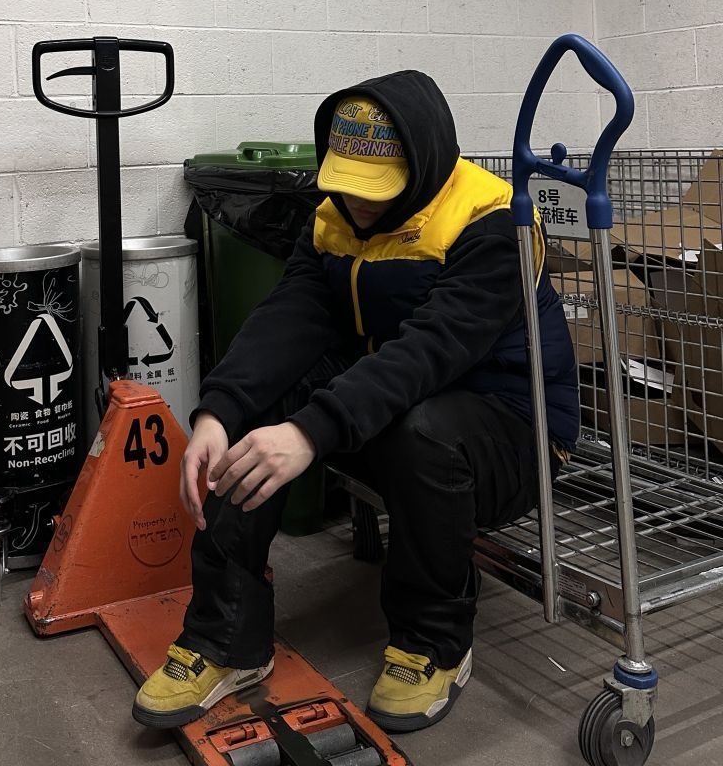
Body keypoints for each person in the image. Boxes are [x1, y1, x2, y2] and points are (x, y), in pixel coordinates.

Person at [132, 70, 579, 733]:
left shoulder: (492, 225)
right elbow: (288, 319)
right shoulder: (332, 217)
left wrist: (311, 431)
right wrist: (217, 412)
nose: (358, 205)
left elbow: (428, 351)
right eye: (347, 185)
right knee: (258, 402)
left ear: (424, 163)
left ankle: (434, 643)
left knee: (425, 429)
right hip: (395, 411)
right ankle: (226, 638)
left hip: (511, 435)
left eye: (377, 190)